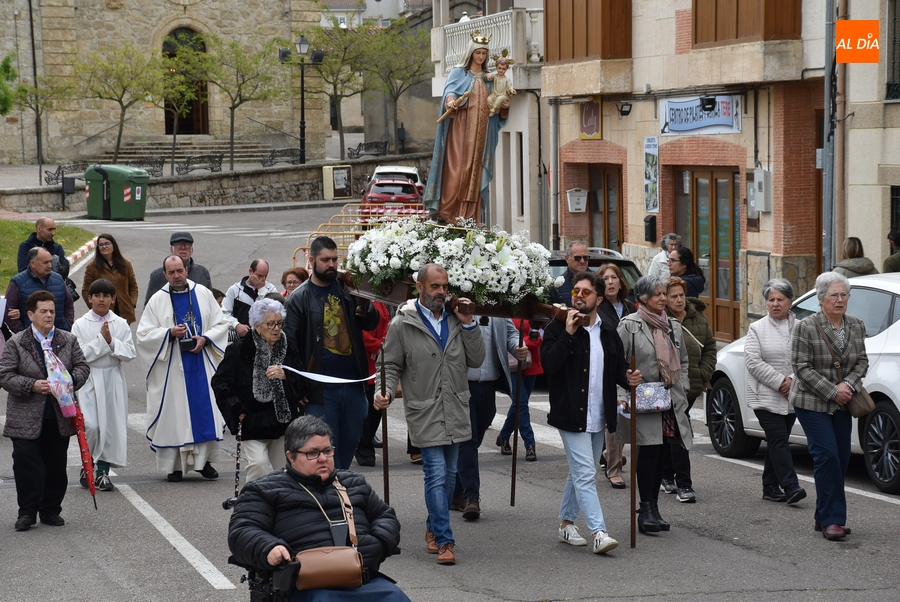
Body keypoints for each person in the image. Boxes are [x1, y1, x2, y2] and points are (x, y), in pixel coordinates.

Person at [227, 415, 409, 601]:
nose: (322, 459)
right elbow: (242, 530)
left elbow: (385, 516)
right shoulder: (264, 489)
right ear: (291, 457)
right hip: (305, 584)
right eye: (312, 453)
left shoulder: (353, 483)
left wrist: (378, 542)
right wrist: (269, 547)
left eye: (327, 451)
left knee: (395, 597)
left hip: (360, 579)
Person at [374, 263, 484, 565]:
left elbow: (476, 359)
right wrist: (383, 391)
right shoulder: (403, 323)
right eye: (435, 286)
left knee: (449, 476)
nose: (441, 292)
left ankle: (432, 527)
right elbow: (388, 364)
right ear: (419, 287)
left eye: (445, 286)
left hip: (456, 408)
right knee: (435, 474)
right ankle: (446, 541)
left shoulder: (457, 320)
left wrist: (470, 323)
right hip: (425, 410)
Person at [542, 271, 638, 554]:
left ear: (598, 298)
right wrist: (569, 335)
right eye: (576, 292)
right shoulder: (558, 327)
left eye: (586, 293)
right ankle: (599, 532)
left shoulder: (607, 330)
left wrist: (628, 377)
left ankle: (566, 524)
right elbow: (549, 365)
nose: (579, 297)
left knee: (577, 473)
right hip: (570, 414)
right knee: (585, 473)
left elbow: (617, 366)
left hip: (599, 414)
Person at [284, 236, 380, 471]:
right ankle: (325, 499)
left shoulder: (349, 289)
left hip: (353, 385)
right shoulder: (299, 298)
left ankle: (338, 493)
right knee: (322, 453)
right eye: (325, 260)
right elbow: (289, 347)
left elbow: (372, 323)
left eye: (335, 260)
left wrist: (364, 304)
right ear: (312, 260)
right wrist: (297, 387)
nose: (331, 265)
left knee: (347, 449)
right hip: (320, 390)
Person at [0, 290, 89, 532]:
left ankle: (50, 509)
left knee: (55, 464)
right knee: (26, 462)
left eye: (52, 311)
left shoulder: (67, 340)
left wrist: (68, 381)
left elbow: (82, 366)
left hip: (58, 414)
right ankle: (27, 512)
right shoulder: (17, 342)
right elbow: (5, 375)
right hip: (25, 415)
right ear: (30, 315)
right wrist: (32, 385)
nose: (49, 315)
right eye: (43, 311)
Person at [137, 255, 230, 482]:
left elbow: (221, 323)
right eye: (171, 272)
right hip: (172, 367)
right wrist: (169, 333)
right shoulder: (157, 300)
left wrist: (206, 338)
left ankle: (204, 463)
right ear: (165, 275)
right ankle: (175, 467)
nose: (176, 276)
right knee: (175, 416)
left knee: (204, 411)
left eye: (180, 270)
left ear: (186, 270)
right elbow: (143, 335)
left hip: (201, 361)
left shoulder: (203, 294)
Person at [790, 272, 867, 541]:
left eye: (844, 295)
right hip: (811, 402)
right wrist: (834, 391)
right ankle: (834, 520)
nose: (839, 300)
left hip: (844, 403)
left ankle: (822, 515)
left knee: (842, 458)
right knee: (827, 456)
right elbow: (801, 367)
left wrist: (848, 385)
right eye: (833, 295)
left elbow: (862, 362)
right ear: (821, 299)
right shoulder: (805, 326)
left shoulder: (856, 325)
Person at [616, 275, 692, 534]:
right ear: (643, 298)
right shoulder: (629, 326)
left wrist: (685, 388)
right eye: (657, 294)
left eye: (664, 294)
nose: (662, 298)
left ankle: (654, 508)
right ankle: (646, 509)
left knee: (661, 452)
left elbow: (684, 360)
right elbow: (618, 363)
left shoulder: (672, 325)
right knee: (647, 452)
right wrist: (623, 392)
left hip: (670, 399)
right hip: (644, 399)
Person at [212, 298, 305, 482]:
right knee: (259, 465)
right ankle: (252, 503)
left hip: (281, 419)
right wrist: (235, 406)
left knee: (281, 471)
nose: (277, 328)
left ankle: (276, 506)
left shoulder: (288, 346)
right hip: (252, 419)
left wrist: (286, 375)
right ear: (256, 325)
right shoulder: (239, 350)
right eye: (270, 324)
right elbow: (220, 382)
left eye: (279, 323)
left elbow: (301, 379)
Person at [423, 30, 508, 224]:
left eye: (484, 54)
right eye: (478, 53)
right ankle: (447, 212)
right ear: (471, 53)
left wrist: (504, 107)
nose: (481, 57)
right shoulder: (458, 72)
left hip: (482, 133)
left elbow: (496, 101)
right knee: (456, 170)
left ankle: (470, 215)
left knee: (475, 173)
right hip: (460, 131)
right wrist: (451, 101)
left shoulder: (489, 78)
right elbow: (450, 91)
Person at [452, 316, 525, 520]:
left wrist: (517, 346)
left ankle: (456, 489)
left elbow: (511, 332)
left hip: (489, 386)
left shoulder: (496, 305)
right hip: (462, 384)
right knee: (468, 439)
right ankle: (471, 497)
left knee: (472, 441)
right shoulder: (458, 305)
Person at [745, 278, 806, 505]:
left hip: (793, 395)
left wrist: (792, 381)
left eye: (781, 299)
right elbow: (753, 362)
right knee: (779, 438)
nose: (775, 304)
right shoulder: (757, 328)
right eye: (771, 300)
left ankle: (770, 486)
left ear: (791, 302)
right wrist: (781, 382)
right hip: (765, 396)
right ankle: (791, 486)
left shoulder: (802, 328)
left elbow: (806, 360)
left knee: (776, 440)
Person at [71, 279, 136, 492]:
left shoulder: (120, 323)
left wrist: (112, 343)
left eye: (106, 296)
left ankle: (102, 474)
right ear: (89, 298)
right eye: (97, 296)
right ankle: (87, 465)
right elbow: (79, 355)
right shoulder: (80, 324)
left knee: (110, 427)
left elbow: (129, 353)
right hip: (89, 379)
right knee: (92, 425)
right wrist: (102, 340)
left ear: (113, 299)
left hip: (112, 379)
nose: (102, 300)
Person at [660, 276, 716, 503]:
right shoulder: (660, 320)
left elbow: (710, 346)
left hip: (692, 386)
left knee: (671, 432)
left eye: (681, 295)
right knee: (680, 431)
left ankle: (666, 474)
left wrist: (704, 372)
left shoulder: (698, 318)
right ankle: (684, 484)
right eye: (673, 296)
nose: (679, 300)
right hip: (671, 387)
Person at [597, 263, 636, 488]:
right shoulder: (598, 309)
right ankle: (614, 470)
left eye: (614, 278)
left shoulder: (630, 307)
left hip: (629, 368)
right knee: (616, 419)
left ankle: (610, 455)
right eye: (605, 278)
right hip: (608, 370)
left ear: (621, 282)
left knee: (629, 418)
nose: (610, 282)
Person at [496, 318, 542, 463]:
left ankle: (504, 435)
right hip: (512, 364)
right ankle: (530, 444)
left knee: (519, 405)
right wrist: (521, 344)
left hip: (531, 363)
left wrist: (523, 343)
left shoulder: (530, 310)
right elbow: (501, 337)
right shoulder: (504, 313)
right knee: (521, 403)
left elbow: (538, 338)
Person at [354, 301, 391, 468]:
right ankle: (364, 450)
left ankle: (366, 443)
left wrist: (383, 344)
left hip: (378, 359)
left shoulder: (379, 302)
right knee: (364, 414)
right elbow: (358, 330)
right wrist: (376, 345)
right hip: (364, 360)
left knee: (376, 410)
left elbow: (387, 322)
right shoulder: (356, 301)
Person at [4, 248, 74, 333]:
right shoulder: (18, 282)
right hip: (31, 341)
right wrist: (23, 334)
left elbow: (69, 305)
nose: (50, 266)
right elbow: (8, 312)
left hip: (60, 336)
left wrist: (67, 326)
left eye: (50, 261)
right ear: (33, 263)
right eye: (45, 262)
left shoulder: (58, 279)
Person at [81, 233, 139, 324]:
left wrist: (132, 303)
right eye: (101, 244)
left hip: (124, 312)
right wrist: (95, 307)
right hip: (103, 313)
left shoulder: (126, 264)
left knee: (123, 337)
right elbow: (86, 290)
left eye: (107, 243)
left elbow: (133, 286)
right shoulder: (92, 267)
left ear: (113, 245)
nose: (104, 246)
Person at [144, 232, 213, 304]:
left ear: (192, 250)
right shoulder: (158, 275)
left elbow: (210, 301)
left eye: (187, 244)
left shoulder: (202, 272)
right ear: (171, 250)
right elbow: (150, 306)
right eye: (178, 244)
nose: (183, 248)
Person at [222, 259, 279, 339]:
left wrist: (261, 289)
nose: (262, 279)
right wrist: (236, 325)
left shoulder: (271, 289)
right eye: (259, 276)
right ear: (250, 271)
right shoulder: (234, 290)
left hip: (264, 340)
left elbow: (275, 310)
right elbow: (224, 313)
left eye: (265, 276)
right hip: (240, 340)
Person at [549, 240, 591, 305]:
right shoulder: (557, 286)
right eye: (577, 258)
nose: (582, 261)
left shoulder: (598, 281)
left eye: (586, 258)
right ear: (567, 258)